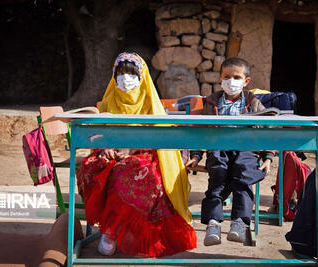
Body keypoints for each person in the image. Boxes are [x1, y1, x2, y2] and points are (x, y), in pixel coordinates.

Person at [76, 52, 197, 257]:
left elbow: (159, 136)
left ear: (142, 77)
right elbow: (98, 132)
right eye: (120, 73)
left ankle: (112, 233)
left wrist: (132, 149)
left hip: (144, 153)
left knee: (133, 174)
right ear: (113, 77)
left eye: (131, 74)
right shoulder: (108, 102)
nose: (125, 79)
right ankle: (110, 230)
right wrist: (105, 146)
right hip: (111, 152)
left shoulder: (151, 104)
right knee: (92, 169)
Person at [185, 57, 273, 246]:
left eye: (236, 77)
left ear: (246, 81)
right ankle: (213, 222)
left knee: (243, 177)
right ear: (220, 78)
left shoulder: (253, 102)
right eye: (227, 77)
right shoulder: (211, 102)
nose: (231, 81)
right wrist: (196, 155)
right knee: (217, 177)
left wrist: (268, 157)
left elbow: (268, 129)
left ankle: (239, 222)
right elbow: (202, 131)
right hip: (218, 149)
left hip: (246, 150)